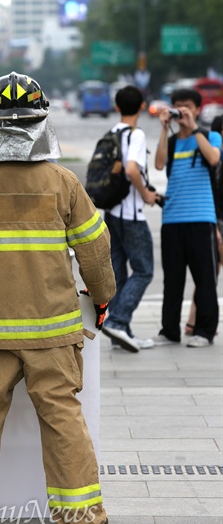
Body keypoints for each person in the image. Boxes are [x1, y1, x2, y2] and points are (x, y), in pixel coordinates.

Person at [0, 72, 116, 524]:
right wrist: (103, 296)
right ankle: (82, 520)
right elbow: (95, 249)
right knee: (62, 417)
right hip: (52, 331)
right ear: (42, 119)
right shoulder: (63, 181)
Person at [154, 90, 222, 347]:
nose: (182, 111)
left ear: (197, 110)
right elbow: (159, 165)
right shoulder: (171, 142)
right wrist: (164, 129)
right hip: (172, 219)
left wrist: (193, 128)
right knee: (172, 279)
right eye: (178, 107)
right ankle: (169, 331)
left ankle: (204, 331)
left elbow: (214, 158)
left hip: (201, 217)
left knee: (204, 278)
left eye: (187, 107)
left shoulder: (209, 135)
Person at [101, 85, 158, 353]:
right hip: (131, 215)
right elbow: (132, 169)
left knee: (119, 275)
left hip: (111, 214)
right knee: (144, 270)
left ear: (116, 107)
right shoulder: (136, 134)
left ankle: (121, 333)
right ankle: (118, 321)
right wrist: (146, 193)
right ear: (143, 106)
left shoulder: (111, 133)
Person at [184, 113, 223, 335]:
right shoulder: (215, 158)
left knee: (208, 275)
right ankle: (194, 322)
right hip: (215, 219)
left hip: (213, 219)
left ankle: (192, 322)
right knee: (208, 274)